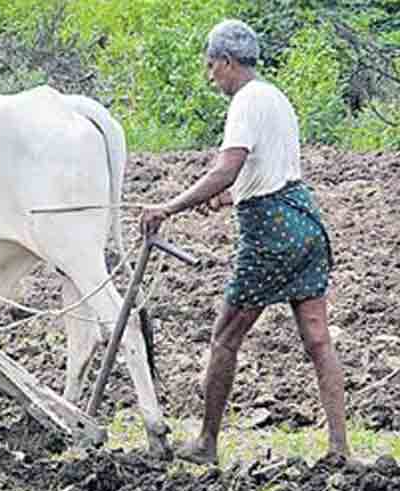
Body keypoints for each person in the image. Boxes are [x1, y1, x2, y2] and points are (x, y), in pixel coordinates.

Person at [139, 19, 353, 465]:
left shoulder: (243, 103)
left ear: (228, 62)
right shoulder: (275, 97)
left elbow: (227, 166)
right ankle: (339, 448)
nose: (210, 75)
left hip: (270, 233)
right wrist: (227, 197)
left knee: (224, 339)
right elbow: (263, 170)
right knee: (317, 338)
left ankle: (206, 444)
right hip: (304, 223)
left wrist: (169, 207)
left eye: (212, 66)